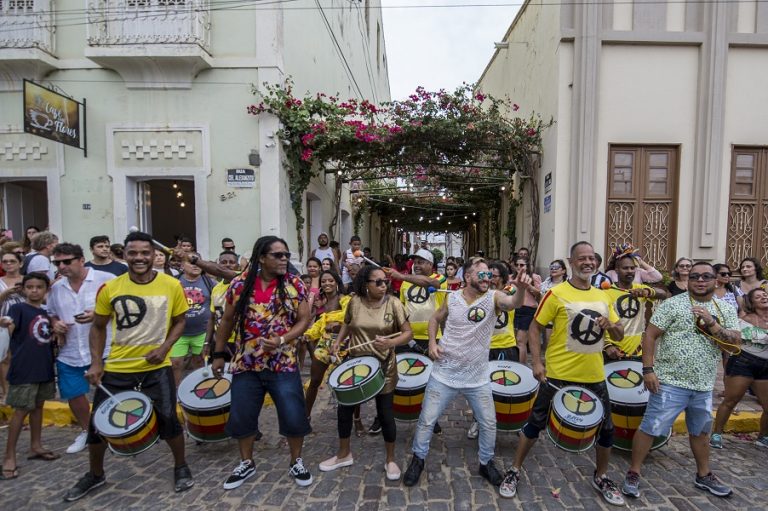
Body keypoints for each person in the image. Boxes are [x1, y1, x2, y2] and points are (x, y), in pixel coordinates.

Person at [64, 231, 193, 501]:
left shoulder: (171, 285)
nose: (139, 258)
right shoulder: (111, 288)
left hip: (157, 368)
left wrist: (165, 348)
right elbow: (98, 327)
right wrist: (96, 363)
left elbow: (180, 321)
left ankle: (181, 466)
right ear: (124, 255)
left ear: (153, 255)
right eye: (133, 253)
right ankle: (95, 474)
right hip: (118, 368)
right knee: (98, 426)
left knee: (169, 419)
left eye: (145, 252)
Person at [499, 241, 625, 505]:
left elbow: (619, 334)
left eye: (591, 258)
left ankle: (601, 476)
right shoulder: (556, 294)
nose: (588, 262)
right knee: (534, 425)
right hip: (557, 375)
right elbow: (535, 327)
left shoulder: (604, 296)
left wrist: (610, 326)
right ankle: (514, 470)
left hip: (594, 375)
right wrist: (536, 363)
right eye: (582, 258)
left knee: (607, 430)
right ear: (571, 262)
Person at [403, 258, 528, 488]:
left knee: (488, 423)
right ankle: (418, 459)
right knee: (427, 420)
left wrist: (520, 289)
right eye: (482, 274)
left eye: (489, 274)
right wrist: (432, 342)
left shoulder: (494, 297)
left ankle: (486, 462)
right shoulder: (452, 298)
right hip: (444, 373)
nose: (487, 278)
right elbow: (435, 318)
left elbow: (513, 304)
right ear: (468, 277)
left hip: (477, 377)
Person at [621, 261, 740, 499]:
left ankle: (704, 475)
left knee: (701, 431)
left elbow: (735, 343)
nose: (700, 280)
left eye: (706, 276)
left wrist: (712, 322)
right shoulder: (673, 304)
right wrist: (648, 370)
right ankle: (633, 472)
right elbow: (650, 335)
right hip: (669, 382)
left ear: (715, 280)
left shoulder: (725, 309)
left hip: (703, 384)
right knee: (651, 427)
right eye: (694, 276)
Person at [211, 236, 313, 490]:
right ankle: (246, 462)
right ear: (262, 258)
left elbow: (304, 320)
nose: (284, 259)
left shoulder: (294, 284)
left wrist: (282, 339)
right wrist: (218, 353)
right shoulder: (240, 284)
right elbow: (227, 320)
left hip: (283, 363)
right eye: (278, 255)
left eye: (286, 254)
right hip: (246, 363)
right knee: (243, 415)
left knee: (293, 414)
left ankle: (296, 461)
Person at [322, 266, 412, 479]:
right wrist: (338, 342)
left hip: (384, 365)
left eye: (385, 281)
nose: (384, 285)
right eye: (378, 282)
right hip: (357, 364)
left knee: (385, 413)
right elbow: (347, 324)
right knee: (344, 409)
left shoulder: (394, 303)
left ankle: (390, 460)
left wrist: (391, 342)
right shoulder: (354, 302)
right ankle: (344, 454)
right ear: (365, 285)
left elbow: (408, 333)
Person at [47, 243, 115, 454]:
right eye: (57, 263)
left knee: (109, 393)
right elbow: (51, 312)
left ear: (81, 260)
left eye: (67, 261)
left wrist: (98, 315)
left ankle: (113, 431)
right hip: (70, 351)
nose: (62, 266)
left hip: (104, 349)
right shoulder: (57, 288)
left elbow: (124, 308)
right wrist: (55, 323)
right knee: (74, 394)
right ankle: (87, 431)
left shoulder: (106, 280)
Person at [1, 273, 56, 481]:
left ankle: (36, 445)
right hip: (24, 369)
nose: (34, 291)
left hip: (44, 367)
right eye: (30, 287)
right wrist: (4, 323)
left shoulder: (46, 312)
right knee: (20, 411)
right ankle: (9, 456)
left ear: (46, 290)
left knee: (38, 407)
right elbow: (9, 324)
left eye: (39, 287)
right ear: (23, 289)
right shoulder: (18, 309)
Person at [384, 248, 446, 435]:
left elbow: (431, 283)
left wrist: (401, 276)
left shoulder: (439, 278)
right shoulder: (405, 283)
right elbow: (402, 310)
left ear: (430, 264)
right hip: (407, 337)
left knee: (432, 381)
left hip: (431, 339)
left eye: (421, 262)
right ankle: (387, 416)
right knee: (397, 376)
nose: (416, 265)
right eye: (415, 262)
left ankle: (431, 418)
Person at [711, 288, 768, 450]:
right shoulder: (743, 320)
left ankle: (763, 437)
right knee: (731, 400)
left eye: (765, 295)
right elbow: (731, 340)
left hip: (765, 365)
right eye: (758, 296)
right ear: (752, 303)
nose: (763, 297)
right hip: (743, 362)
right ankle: (716, 434)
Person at [467, 260, 518, 440]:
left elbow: (510, 294)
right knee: (480, 388)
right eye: (487, 275)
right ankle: (477, 420)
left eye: (494, 276)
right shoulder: (481, 294)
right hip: (484, 347)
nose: (490, 279)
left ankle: (505, 420)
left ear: (503, 278)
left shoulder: (509, 291)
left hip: (506, 346)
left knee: (505, 386)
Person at [603, 254, 669, 361]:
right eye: (625, 268)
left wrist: (647, 292)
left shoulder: (641, 289)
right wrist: (607, 345)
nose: (630, 271)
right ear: (616, 270)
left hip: (637, 353)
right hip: (613, 352)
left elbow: (663, 294)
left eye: (632, 268)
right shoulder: (606, 292)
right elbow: (599, 322)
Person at [304, 270, 350, 420]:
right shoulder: (323, 302)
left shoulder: (344, 299)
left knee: (347, 384)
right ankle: (305, 417)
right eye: (323, 281)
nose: (327, 283)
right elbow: (321, 323)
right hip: (324, 343)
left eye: (330, 280)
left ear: (337, 282)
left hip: (343, 345)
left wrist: (338, 324)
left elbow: (351, 318)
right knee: (315, 381)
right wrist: (308, 334)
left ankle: (355, 420)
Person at [171, 254, 214, 386]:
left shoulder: (209, 282)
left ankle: (199, 391)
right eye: (191, 262)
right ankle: (175, 392)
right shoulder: (175, 282)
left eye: (198, 262)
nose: (195, 265)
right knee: (175, 363)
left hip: (202, 331)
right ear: (182, 266)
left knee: (200, 363)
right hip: (179, 333)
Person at [206, 250, 240, 362]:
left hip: (239, 340)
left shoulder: (244, 284)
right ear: (218, 265)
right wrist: (207, 342)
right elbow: (212, 317)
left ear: (238, 266)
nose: (228, 265)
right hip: (219, 340)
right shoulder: (216, 288)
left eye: (232, 262)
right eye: (224, 262)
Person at [0, 251, 24, 401]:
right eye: (5, 261)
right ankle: (6, 392)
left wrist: (25, 292)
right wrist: (5, 293)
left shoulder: (28, 280)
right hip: (4, 320)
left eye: (12, 261)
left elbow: (43, 299)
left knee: (24, 355)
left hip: (25, 319)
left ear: (20, 263)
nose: (8, 264)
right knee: (5, 356)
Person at [512, 257, 542, 365]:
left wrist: (528, 286)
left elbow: (539, 293)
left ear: (527, 266)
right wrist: (511, 289)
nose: (519, 267)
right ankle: (516, 363)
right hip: (514, 309)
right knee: (514, 340)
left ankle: (521, 366)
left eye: (522, 265)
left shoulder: (534, 277)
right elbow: (507, 289)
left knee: (521, 340)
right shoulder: (512, 277)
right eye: (517, 265)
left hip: (528, 309)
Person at [539, 259, 567, 350]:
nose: (553, 269)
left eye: (556, 267)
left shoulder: (568, 284)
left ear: (563, 271)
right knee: (549, 343)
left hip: (565, 317)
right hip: (549, 317)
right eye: (551, 267)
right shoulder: (545, 285)